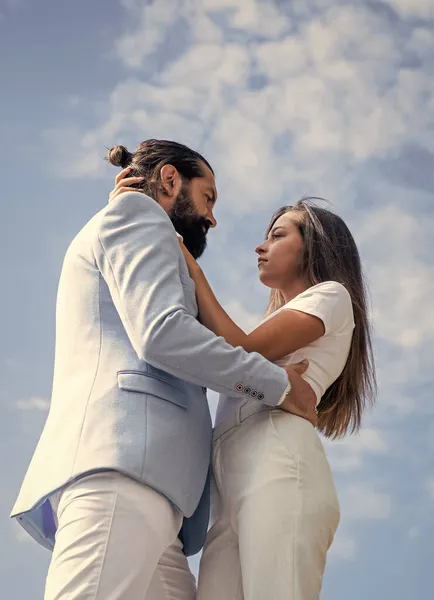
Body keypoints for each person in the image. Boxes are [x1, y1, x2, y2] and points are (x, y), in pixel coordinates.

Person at [10, 139, 317, 600]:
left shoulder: (132, 223)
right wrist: (277, 384)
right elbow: (162, 334)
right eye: (208, 197)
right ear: (171, 179)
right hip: (123, 471)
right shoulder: (138, 216)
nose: (212, 217)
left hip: (155, 495)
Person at [177, 200, 376, 600]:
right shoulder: (280, 318)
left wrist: (191, 268)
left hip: (280, 469)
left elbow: (238, 349)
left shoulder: (331, 296)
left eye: (278, 235)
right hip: (229, 492)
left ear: (313, 247)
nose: (260, 246)